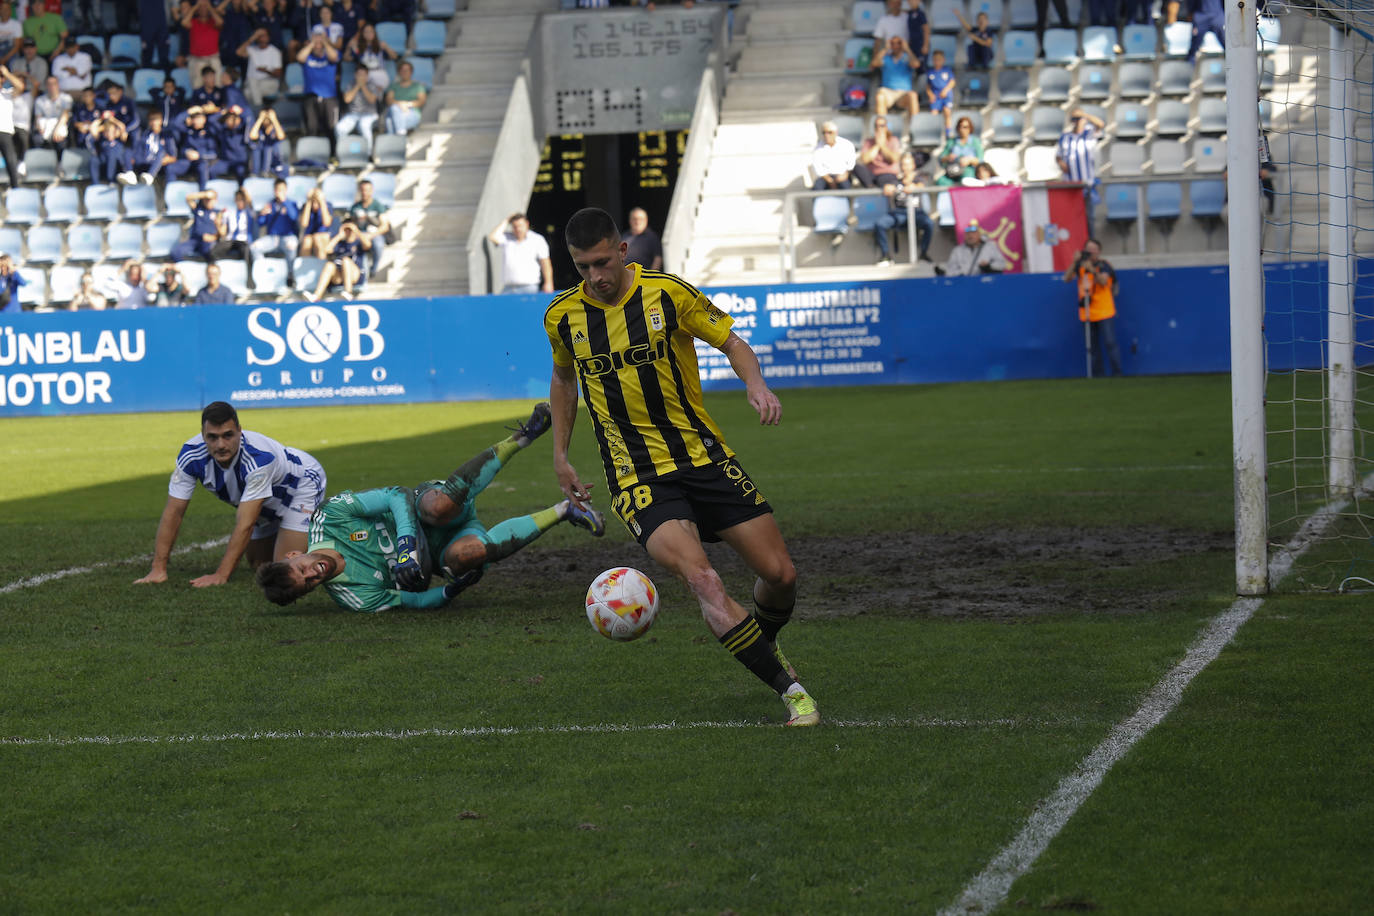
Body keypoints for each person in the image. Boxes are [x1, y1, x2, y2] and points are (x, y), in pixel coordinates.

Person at [546, 207, 818, 728]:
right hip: (636, 475)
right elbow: (563, 379)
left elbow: (731, 341)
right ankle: (792, 691)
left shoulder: (668, 293)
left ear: (623, 251)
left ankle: (760, 643)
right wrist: (560, 454)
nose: (595, 277)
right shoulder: (562, 316)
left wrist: (754, 383)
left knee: (780, 575)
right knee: (705, 580)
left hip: (704, 457)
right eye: (583, 267)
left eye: (603, 262)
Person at [255, 418, 605, 614]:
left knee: (439, 508)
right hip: (441, 551)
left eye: (302, 569)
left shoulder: (329, 517)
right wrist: (450, 592)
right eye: (310, 583)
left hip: (426, 505)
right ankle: (565, 510)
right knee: (469, 556)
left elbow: (396, 495)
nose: (314, 573)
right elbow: (413, 601)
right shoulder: (354, 597)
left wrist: (406, 542)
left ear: (292, 554)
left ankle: (520, 438)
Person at [135, 401, 328, 587]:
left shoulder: (258, 458)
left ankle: (331, 538)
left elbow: (246, 522)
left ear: (239, 431)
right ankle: (290, 531)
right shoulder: (191, 456)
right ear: (203, 435)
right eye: (212, 437)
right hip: (265, 502)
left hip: (301, 485)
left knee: (284, 570)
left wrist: (221, 575)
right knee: (259, 565)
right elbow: (174, 512)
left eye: (228, 435)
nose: (220, 444)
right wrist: (158, 569)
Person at [1063, 238, 1122, 377]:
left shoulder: (1104, 265)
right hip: (1087, 312)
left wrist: (1093, 270)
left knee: (1110, 343)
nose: (1090, 252)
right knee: (1092, 347)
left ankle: (1117, 374)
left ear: (1098, 252)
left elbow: (1103, 282)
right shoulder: (1080, 266)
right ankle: (1098, 375)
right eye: (1088, 249)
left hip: (1104, 311)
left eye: (1093, 249)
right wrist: (1075, 261)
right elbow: (1066, 278)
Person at [874, 151, 934, 266]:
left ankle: (924, 254)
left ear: (913, 166)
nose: (905, 167)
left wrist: (914, 186)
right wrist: (887, 188)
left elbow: (922, 184)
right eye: (903, 164)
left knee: (929, 223)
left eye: (907, 164)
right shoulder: (895, 180)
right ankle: (885, 255)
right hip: (899, 213)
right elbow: (887, 187)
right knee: (880, 224)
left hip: (917, 212)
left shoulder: (920, 177)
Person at [1056, 108, 1104, 230]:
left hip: (1086, 183)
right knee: (1072, 218)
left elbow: (1100, 124)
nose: (1077, 121)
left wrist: (1085, 115)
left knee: (1089, 218)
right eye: (1074, 119)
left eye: (1079, 119)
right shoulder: (1065, 137)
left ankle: (1089, 244)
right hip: (1070, 185)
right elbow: (1058, 155)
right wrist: (1061, 162)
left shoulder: (1089, 134)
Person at [487, 212, 553, 295]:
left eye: (520, 226)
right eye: (515, 226)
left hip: (529, 287)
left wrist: (548, 282)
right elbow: (492, 237)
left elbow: (545, 262)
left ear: (527, 224)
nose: (518, 229)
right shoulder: (507, 238)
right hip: (509, 288)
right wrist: (507, 220)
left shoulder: (537, 240)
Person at [304, 217, 368, 300]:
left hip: (355, 275)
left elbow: (368, 245)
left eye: (350, 229)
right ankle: (316, 296)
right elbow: (327, 250)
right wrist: (339, 235)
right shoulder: (340, 243)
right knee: (329, 265)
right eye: (346, 229)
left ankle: (348, 293)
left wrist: (356, 230)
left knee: (345, 260)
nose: (348, 231)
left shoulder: (359, 242)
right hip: (340, 276)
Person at [296, 30, 339, 154]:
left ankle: (333, 156)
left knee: (331, 129)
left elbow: (334, 56)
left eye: (320, 40)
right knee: (311, 128)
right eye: (315, 40)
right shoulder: (308, 57)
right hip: (311, 96)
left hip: (329, 97)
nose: (318, 43)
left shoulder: (329, 55)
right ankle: (312, 155)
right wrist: (312, 43)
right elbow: (300, 57)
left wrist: (325, 42)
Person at [163, 104, 222, 189]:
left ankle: (202, 196)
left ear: (204, 119)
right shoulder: (188, 130)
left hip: (202, 162)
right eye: (194, 118)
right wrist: (189, 111)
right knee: (170, 168)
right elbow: (175, 123)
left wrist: (199, 155)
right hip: (187, 162)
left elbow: (214, 154)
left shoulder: (209, 133)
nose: (196, 121)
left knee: (203, 167)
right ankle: (170, 194)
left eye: (199, 118)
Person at [251, 175, 300, 263]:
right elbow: (260, 223)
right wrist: (262, 214)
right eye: (277, 189)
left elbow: (294, 217)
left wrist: (285, 202)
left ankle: (290, 274)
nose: (279, 192)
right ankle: (263, 270)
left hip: (288, 237)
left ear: (286, 190)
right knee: (254, 247)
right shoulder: (270, 204)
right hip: (272, 238)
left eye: (281, 190)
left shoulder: (292, 203)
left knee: (292, 246)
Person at [347, 177, 390, 278]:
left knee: (378, 244)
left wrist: (371, 235)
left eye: (367, 190)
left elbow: (385, 226)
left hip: (374, 234)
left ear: (372, 190)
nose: (364, 193)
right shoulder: (355, 207)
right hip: (359, 234)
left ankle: (373, 269)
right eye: (362, 190)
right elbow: (352, 224)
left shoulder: (377, 206)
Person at [171, 188, 225, 261]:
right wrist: (205, 194)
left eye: (211, 199)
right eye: (206, 199)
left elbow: (222, 232)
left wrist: (214, 237)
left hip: (209, 241)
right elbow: (188, 198)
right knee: (176, 252)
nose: (208, 201)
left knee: (210, 253)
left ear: (216, 200)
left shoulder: (219, 213)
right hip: (194, 240)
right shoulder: (198, 208)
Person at [334, 65, 378, 155]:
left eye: (363, 75)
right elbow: (347, 99)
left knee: (364, 126)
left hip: (369, 114)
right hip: (353, 114)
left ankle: (368, 154)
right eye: (359, 74)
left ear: (367, 75)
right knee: (340, 128)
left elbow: (372, 100)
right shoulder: (351, 84)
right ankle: (344, 153)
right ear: (355, 75)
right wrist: (358, 86)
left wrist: (363, 86)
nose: (361, 77)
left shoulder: (372, 85)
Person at [344, 20, 397, 94]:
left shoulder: (380, 45)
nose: (369, 34)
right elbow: (347, 59)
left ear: (374, 33)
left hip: (379, 73)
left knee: (377, 93)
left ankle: (378, 101)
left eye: (371, 31)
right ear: (362, 34)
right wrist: (348, 47)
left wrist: (387, 48)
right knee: (366, 91)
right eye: (366, 32)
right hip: (364, 75)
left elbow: (394, 57)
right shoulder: (358, 47)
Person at [873, 35, 919, 118]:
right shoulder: (886, 58)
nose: (896, 45)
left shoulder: (907, 58)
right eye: (892, 43)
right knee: (880, 96)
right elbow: (874, 63)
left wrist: (907, 49)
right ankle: (883, 127)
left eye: (899, 43)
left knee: (913, 95)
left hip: (903, 93)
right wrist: (885, 49)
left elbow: (916, 64)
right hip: (888, 92)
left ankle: (915, 127)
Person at [938, 222, 1007, 276]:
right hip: (964, 284)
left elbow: (1002, 264)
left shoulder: (989, 246)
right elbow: (950, 270)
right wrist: (961, 272)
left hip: (985, 283)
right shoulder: (958, 250)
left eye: (973, 233)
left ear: (979, 234)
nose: (970, 236)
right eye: (968, 233)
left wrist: (989, 267)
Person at [236, 27, 282, 108]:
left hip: (269, 83)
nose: (262, 38)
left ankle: (257, 110)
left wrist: (266, 71)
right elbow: (239, 52)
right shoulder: (252, 49)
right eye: (260, 36)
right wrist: (253, 37)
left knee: (249, 90)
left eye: (264, 35)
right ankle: (259, 109)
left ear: (268, 37)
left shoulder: (275, 52)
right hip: (252, 84)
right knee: (249, 89)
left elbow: (278, 74)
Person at [854, 114, 902, 191]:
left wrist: (882, 146)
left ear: (886, 127)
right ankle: (871, 188)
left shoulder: (893, 140)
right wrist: (877, 145)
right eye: (876, 126)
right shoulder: (868, 142)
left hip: (887, 174)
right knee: (857, 167)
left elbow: (894, 159)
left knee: (885, 178)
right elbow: (865, 160)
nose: (879, 128)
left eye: (882, 125)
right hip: (872, 174)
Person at [181, 0, 224, 81]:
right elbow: (184, 23)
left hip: (213, 58)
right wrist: (196, 6)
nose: (203, 9)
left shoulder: (214, 22)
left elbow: (220, 22)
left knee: (217, 84)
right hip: (196, 59)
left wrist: (209, 7)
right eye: (201, 7)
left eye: (205, 7)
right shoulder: (193, 22)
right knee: (197, 86)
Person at [131, 108, 177, 184]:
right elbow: (138, 152)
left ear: (161, 120)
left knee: (161, 153)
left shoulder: (167, 135)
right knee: (128, 152)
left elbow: (173, 157)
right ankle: (130, 175)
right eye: (151, 120)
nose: (154, 122)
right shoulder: (145, 135)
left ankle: (150, 176)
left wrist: (166, 159)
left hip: (161, 165)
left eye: (156, 119)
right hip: (146, 163)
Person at [91, 115, 138, 185]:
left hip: (118, 163)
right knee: (93, 160)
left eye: (112, 131)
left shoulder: (119, 139)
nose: (109, 133)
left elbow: (122, 127)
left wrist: (112, 119)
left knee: (112, 154)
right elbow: (93, 129)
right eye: (107, 131)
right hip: (104, 161)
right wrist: (102, 118)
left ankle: (111, 181)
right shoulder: (102, 140)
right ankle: (95, 184)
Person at [383, 59, 426, 136]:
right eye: (402, 70)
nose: (404, 72)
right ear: (399, 72)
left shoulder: (418, 86)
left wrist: (407, 104)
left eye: (407, 70)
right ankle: (401, 134)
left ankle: (396, 137)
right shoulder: (394, 86)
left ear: (411, 72)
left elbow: (421, 101)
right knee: (394, 108)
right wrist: (400, 104)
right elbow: (389, 100)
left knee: (389, 121)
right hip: (395, 111)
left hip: (411, 112)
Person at [937, 115, 983, 185]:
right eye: (960, 127)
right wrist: (948, 157)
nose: (962, 129)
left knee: (966, 179)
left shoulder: (975, 142)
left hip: (969, 171)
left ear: (970, 128)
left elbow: (981, 160)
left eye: (965, 127)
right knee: (940, 181)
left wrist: (969, 160)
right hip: (953, 170)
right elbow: (941, 158)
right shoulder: (952, 142)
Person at [246, 103, 288, 178]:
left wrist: (274, 119)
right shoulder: (259, 128)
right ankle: (258, 173)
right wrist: (260, 119)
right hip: (260, 163)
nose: (266, 119)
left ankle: (266, 172)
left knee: (268, 148)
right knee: (255, 148)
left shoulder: (276, 127)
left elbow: (281, 136)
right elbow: (252, 136)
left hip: (275, 161)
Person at [923, 48, 955, 135]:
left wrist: (945, 90)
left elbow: (952, 82)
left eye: (939, 59)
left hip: (945, 95)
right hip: (935, 96)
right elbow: (928, 86)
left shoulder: (947, 70)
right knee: (934, 113)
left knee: (947, 111)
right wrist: (930, 94)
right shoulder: (931, 72)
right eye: (935, 59)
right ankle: (934, 132)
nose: (937, 61)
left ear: (943, 60)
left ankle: (948, 131)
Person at [31, 72, 67, 148]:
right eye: (49, 84)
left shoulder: (65, 98)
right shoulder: (40, 100)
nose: (52, 86)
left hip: (60, 126)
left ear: (58, 85)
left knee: (61, 140)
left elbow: (65, 116)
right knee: (38, 138)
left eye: (54, 83)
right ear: (46, 86)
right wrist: (40, 127)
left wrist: (57, 130)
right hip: (45, 126)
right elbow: (38, 117)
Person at [621, 206, 662, 271]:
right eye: (635, 219)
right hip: (626, 277)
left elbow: (658, 258)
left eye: (641, 219)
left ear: (646, 220)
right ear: (630, 220)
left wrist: (652, 276)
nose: (637, 222)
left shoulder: (652, 237)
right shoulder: (624, 236)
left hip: (644, 278)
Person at [0, 64, 21, 187]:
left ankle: (15, 188)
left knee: (11, 161)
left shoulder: (8, 93)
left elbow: (20, 86)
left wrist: (6, 73)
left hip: (5, 131)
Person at [298, 186, 333, 256]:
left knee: (318, 240)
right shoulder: (306, 206)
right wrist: (308, 202)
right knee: (307, 241)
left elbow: (327, 223)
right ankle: (305, 266)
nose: (315, 204)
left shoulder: (327, 205)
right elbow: (304, 224)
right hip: (309, 236)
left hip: (323, 236)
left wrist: (322, 201)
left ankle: (322, 264)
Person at [0, 1, 22, 66]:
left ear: (10, 11)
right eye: (2, 9)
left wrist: (4, 59)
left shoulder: (16, 24)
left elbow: (16, 46)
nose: (5, 11)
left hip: (11, 51)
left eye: (7, 9)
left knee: (14, 63)